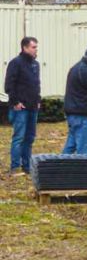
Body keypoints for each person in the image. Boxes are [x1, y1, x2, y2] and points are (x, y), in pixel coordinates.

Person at [4, 37, 41, 174]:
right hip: (20, 108)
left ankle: (27, 166)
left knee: (30, 137)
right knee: (19, 137)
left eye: (36, 47)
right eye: (33, 47)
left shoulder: (35, 65)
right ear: (25, 48)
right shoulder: (16, 63)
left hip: (32, 107)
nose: (36, 49)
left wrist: (38, 100)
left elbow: (36, 84)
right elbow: (9, 85)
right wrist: (15, 102)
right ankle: (15, 166)